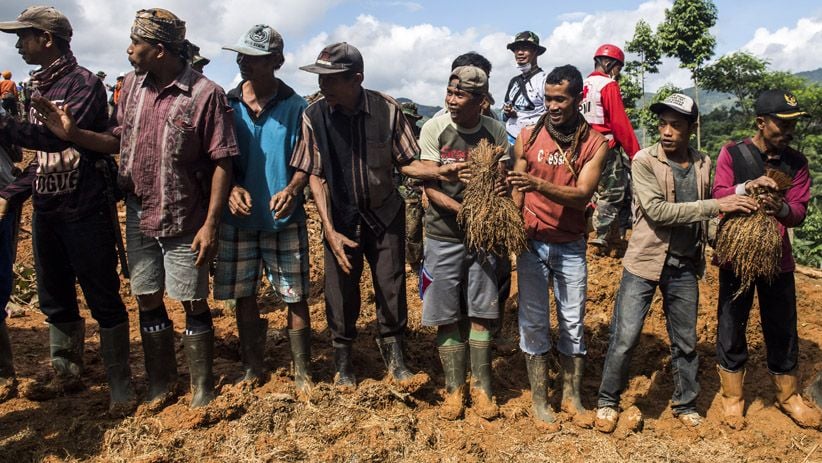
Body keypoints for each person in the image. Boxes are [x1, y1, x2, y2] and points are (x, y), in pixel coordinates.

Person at [33, 8, 239, 409]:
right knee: (146, 296)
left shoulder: (204, 94)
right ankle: (161, 381)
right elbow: (118, 143)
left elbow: (222, 161)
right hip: (140, 212)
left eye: (136, 43)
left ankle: (202, 387)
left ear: (159, 50)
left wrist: (211, 223)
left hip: (184, 215)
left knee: (193, 300)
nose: (129, 50)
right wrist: (73, 134)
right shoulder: (130, 87)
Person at [291, 42, 463, 391]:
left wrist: (439, 172)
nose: (323, 85)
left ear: (357, 79)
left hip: (385, 214)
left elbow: (406, 161)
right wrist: (329, 230)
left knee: (391, 285)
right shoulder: (314, 115)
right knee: (340, 292)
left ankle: (396, 360)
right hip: (339, 217)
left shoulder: (387, 110)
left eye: (332, 78)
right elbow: (316, 175)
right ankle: (343, 363)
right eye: (321, 78)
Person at [594, 94, 759, 432]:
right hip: (644, 262)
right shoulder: (643, 160)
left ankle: (685, 403)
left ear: (691, 129)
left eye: (676, 125)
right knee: (625, 336)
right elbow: (657, 212)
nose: (667, 132)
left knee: (685, 341)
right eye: (663, 124)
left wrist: (720, 236)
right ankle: (608, 401)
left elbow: (706, 216)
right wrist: (717, 205)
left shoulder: (703, 162)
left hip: (684, 265)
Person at [0, 5, 134, 414]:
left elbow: (58, 140)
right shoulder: (36, 85)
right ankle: (67, 372)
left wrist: (3, 126)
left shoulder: (84, 84)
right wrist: (16, 191)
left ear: (47, 39)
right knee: (54, 295)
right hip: (48, 204)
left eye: (24, 37)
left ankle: (119, 384)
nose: (18, 45)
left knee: (102, 294)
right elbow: (39, 158)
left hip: (84, 205)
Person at [712, 89, 821, 430]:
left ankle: (788, 396)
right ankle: (733, 397)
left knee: (782, 326)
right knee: (732, 324)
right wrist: (746, 188)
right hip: (736, 259)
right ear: (761, 122)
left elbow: (800, 210)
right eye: (782, 124)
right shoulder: (733, 153)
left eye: (793, 125)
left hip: (779, 261)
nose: (788, 132)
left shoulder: (796, 164)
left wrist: (783, 209)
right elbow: (717, 193)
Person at [507, 65, 608, 430]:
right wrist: (513, 221)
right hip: (532, 244)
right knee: (533, 323)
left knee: (572, 323)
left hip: (570, 245)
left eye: (560, 99)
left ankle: (571, 397)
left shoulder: (595, 143)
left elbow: (581, 196)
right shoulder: (528, 136)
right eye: (548, 98)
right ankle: (539, 400)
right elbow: (517, 185)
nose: (552, 105)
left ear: (579, 98)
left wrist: (535, 183)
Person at [216, 24, 312, 393]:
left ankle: (302, 372)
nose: (243, 63)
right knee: (244, 293)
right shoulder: (227, 104)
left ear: (276, 61)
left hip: (283, 217)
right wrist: (231, 189)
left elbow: (306, 160)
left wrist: (293, 187)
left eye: (253, 58)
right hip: (238, 218)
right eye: (241, 56)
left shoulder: (296, 107)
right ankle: (252, 367)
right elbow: (217, 157)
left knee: (295, 294)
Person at [419, 66, 509, 420]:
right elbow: (429, 185)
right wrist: (465, 211)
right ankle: (455, 390)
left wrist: (502, 192)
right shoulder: (435, 129)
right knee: (445, 314)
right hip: (443, 236)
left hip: (483, 241)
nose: (451, 101)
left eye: (460, 96)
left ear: (481, 101)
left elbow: (501, 181)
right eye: (449, 92)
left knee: (483, 312)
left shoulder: (494, 131)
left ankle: (483, 389)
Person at [581, 44, 640, 253]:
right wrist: (635, 153)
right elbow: (619, 122)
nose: (618, 73)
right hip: (605, 146)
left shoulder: (582, 84)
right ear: (609, 64)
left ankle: (613, 238)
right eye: (618, 68)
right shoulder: (608, 85)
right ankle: (600, 237)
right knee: (614, 192)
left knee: (590, 191)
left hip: (581, 147)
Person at [502, 31, 546, 145]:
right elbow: (504, 115)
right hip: (510, 138)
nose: (520, 53)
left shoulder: (545, 81)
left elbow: (551, 114)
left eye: (525, 48)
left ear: (536, 51)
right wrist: (507, 112)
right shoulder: (514, 82)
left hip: (534, 141)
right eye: (516, 49)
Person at [399, 101, 424, 274]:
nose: (408, 121)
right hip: (408, 192)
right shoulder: (398, 139)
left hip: (426, 188)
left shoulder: (423, 137)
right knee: (412, 229)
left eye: (410, 118)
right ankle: (414, 261)